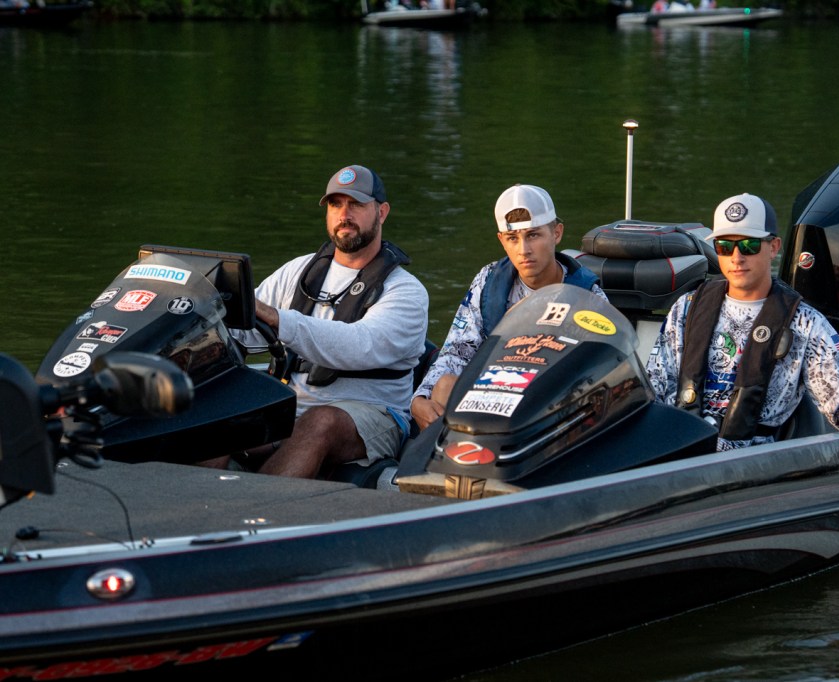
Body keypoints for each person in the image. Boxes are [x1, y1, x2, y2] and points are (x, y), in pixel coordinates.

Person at [644, 193, 839, 479]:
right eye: (725, 246)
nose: (737, 257)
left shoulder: (804, 322)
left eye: (749, 245)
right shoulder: (686, 308)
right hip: (681, 458)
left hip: (756, 470)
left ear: (773, 247)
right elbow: (655, 386)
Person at [216, 165, 429, 479]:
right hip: (290, 405)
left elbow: (358, 345)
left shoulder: (407, 291)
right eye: (335, 204)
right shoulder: (299, 270)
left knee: (321, 421)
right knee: (216, 411)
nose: (344, 214)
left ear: (382, 212)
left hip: (374, 415)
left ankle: (258, 504)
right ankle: (191, 501)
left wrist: (279, 319)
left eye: (356, 204)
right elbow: (246, 327)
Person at [411, 183, 605, 432]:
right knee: (445, 386)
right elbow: (457, 351)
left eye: (533, 235)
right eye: (513, 238)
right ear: (502, 241)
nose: (524, 250)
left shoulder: (587, 295)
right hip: (494, 396)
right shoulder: (487, 281)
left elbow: (600, 370)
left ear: (556, 233)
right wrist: (421, 397)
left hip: (551, 404)